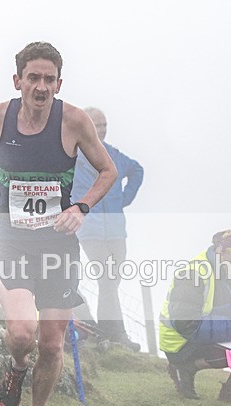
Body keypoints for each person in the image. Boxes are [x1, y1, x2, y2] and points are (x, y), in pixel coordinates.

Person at [0, 42, 118, 406]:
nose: (41, 87)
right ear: (18, 81)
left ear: (58, 84)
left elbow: (107, 171)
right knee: (24, 333)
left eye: (49, 79)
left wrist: (80, 207)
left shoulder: (74, 122)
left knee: (53, 343)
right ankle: (15, 365)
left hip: (58, 245)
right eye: (33, 78)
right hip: (11, 239)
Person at [158, 228, 231, 404]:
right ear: (222, 250)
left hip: (209, 329)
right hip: (181, 343)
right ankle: (184, 367)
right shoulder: (193, 273)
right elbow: (186, 325)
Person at [71, 107, 144, 351]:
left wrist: (125, 198)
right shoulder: (73, 156)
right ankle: (116, 333)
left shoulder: (113, 155)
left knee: (110, 281)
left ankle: (104, 331)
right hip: (89, 229)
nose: (101, 130)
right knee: (107, 278)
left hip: (116, 230)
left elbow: (137, 170)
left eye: (104, 125)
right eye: (96, 125)